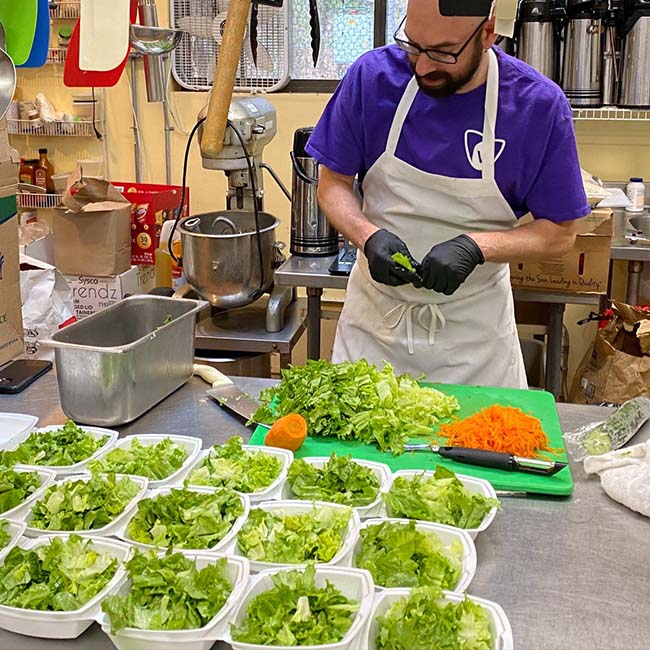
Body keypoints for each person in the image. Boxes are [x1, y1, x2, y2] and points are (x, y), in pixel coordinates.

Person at [305, 0, 590, 389]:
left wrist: (476, 247)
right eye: (412, 44)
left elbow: (560, 231)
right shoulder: (371, 79)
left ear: (488, 34)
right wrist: (366, 235)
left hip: (475, 349)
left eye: (442, 52)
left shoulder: (536, 107)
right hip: (373, 338)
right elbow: (332, 184)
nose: (422, 66)